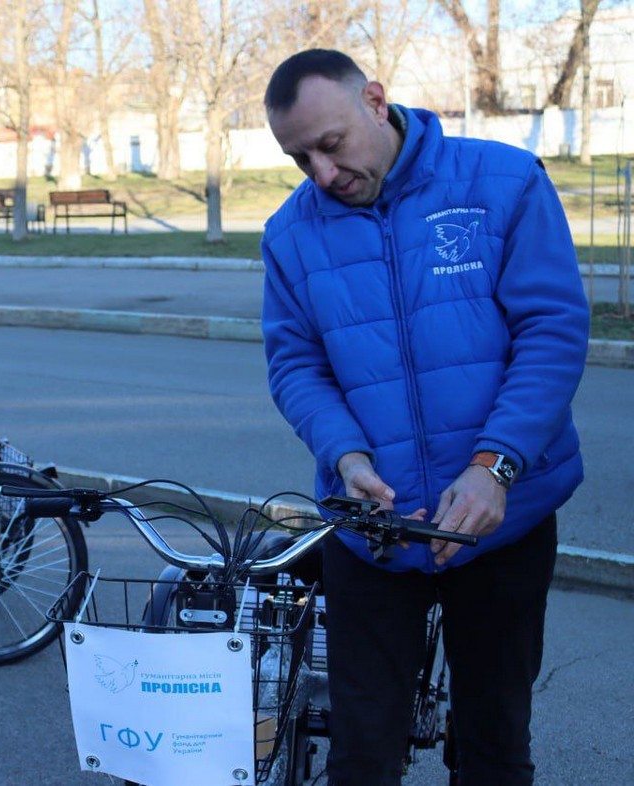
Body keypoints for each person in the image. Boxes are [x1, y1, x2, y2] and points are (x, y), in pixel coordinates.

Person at [260, 49, 589, 786]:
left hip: (502, 522)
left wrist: (493, 467)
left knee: (493, 744)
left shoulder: (503, 183)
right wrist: (346, 457)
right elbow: (296, 367)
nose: (320, 174)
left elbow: (551, 332)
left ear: (375, 101)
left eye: (332, 144)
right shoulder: (290, 234)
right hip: (371, 529)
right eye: (298, 156)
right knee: (361, 752)